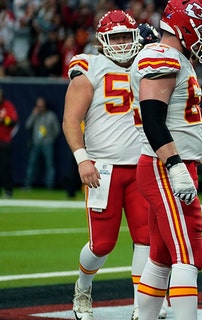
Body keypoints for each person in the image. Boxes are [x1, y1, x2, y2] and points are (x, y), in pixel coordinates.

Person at [130, 1, 202, 319]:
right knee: (189, 254)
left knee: (160, 255)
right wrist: (175, 166)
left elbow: (181, 125)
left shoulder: (176, 58)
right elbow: (153, 120)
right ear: (186, 27)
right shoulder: (162, 56)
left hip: (172, 162)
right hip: (164, 166)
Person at [62, 10, 149, 320]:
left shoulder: (148, 63)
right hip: (104, 168)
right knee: (102, 244)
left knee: (146, 238)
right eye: (116, 37)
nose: (123, 43)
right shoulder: (90, 68)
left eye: (128, 36)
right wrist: (82, 158)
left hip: (142, 166)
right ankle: (83, 288)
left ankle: (144, 303)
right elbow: (71, 119)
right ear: (102, 42)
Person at [24, 96, 60, 190]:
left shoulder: (51, 115)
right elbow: (28, 125)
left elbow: (57, 130)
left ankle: (50, 185)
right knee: (32, 164)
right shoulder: (36, 115)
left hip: (47, 143)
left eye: (41, 105)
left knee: (49, 165)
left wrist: (50, 139)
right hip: (36, 143)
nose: (40, 107)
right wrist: (33, 114)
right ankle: (28, 184)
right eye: (38, 106)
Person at [0, 87, 18, 198]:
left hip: (4, 141)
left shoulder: (7, 106)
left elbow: (13, 121)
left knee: (5, 167)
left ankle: (8, 189)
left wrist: (3, 120)